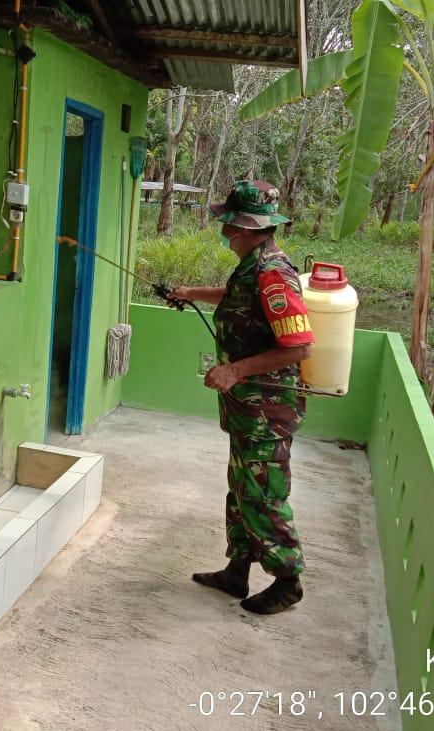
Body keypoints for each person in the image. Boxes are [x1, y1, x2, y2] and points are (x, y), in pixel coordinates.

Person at [171, 180, 313, 615]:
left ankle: (287, 582)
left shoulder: (273, 274)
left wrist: (235, 370)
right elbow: (236, 299)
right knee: (242, 488)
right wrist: (191, 293)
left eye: (229, 225)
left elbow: (299, 347)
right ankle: (238, 570)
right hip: (247, 409)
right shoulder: (253, 266)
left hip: (266, 409)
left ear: (247, 228)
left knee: (263, 494)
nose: (225, 231)